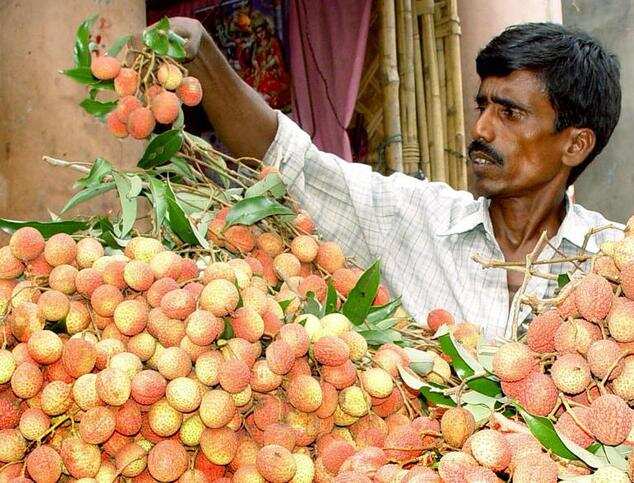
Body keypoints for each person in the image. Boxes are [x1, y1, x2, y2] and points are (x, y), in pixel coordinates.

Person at [168, 17, 624, 339]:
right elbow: (289, 162)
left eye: (510, 112)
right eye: (482, 106)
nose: (482, 129)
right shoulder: (412, 218)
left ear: (575, 144)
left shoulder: (615, 265)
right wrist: (203, 53)